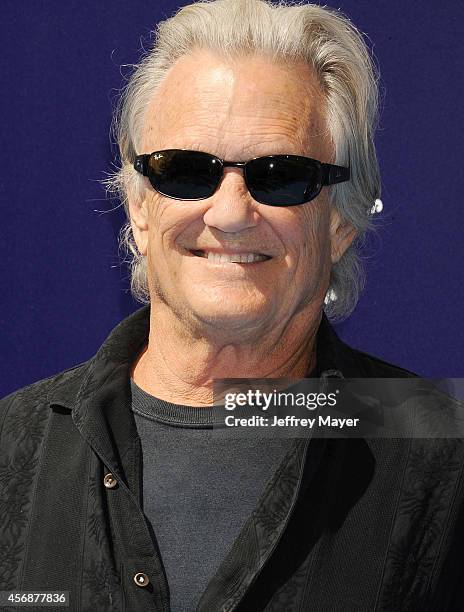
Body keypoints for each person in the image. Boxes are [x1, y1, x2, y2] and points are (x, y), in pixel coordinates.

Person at [1, 1, 463, 610]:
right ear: (139, 206)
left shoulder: (443, 453)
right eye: (186, 171)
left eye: (280, 175)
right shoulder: (14, 447)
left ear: (339, 224)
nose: (229, 214)